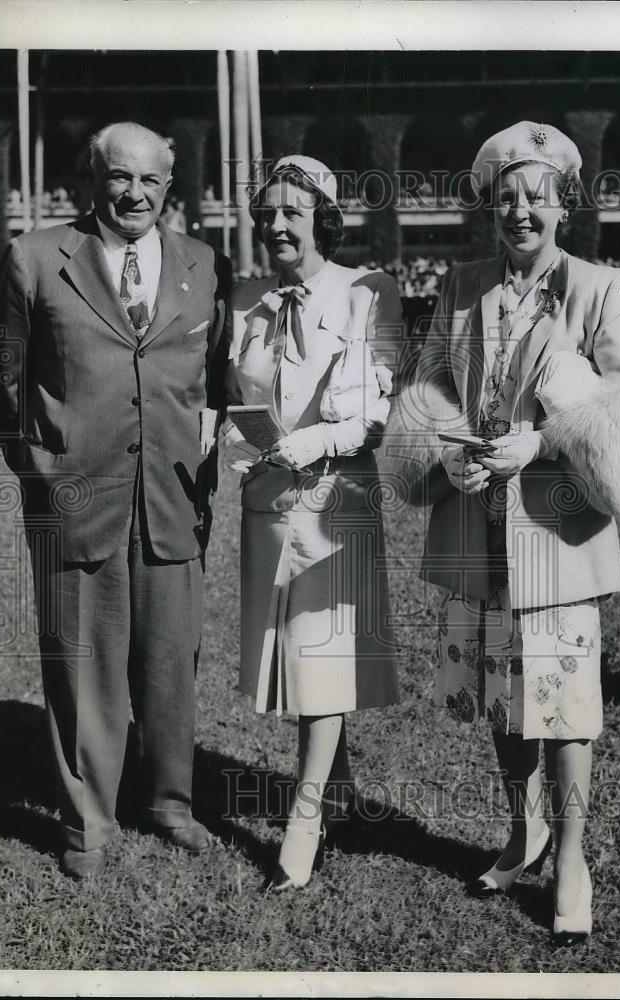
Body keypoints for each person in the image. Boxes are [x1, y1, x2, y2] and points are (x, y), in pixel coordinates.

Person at [384, 122, 620, 945]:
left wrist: (539, 441)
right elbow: (430, 379)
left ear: (563, 205)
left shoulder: (603, 287)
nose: (521, 211)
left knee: (567, 706)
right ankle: (525, 830)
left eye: (537, 196)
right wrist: (450, 453)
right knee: (504, 702)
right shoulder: (464, 283)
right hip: (478, 526)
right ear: (489, 207)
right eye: (506, 196)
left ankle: (572, 856)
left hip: (558, 529)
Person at [0, 121, 231, 879]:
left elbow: (216, 381)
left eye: (151, 181)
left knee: (169, 662)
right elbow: (2, 380)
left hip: (170, 497)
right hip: (74, 498)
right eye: (120, 178)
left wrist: (203, 463)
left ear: (170, 188)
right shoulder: (34, 258)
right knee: (81, 664)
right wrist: (41, 473)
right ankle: (88, 819)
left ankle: (168, 801)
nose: (135, 194)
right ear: (91, 181)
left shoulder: (202, 264)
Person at [220, 155, 402, 890]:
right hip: (267, 499)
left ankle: (305, 817)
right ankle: (343, 791)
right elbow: (233, 394)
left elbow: (374, 410)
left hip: (337, 501)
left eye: (293, 212)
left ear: (324, 218)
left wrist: (319, 440)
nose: (276, 225)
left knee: (318, 653)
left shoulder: (367, 291)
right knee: (300, 658)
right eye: (266, 214)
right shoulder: (244, 299)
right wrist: (235, 439)